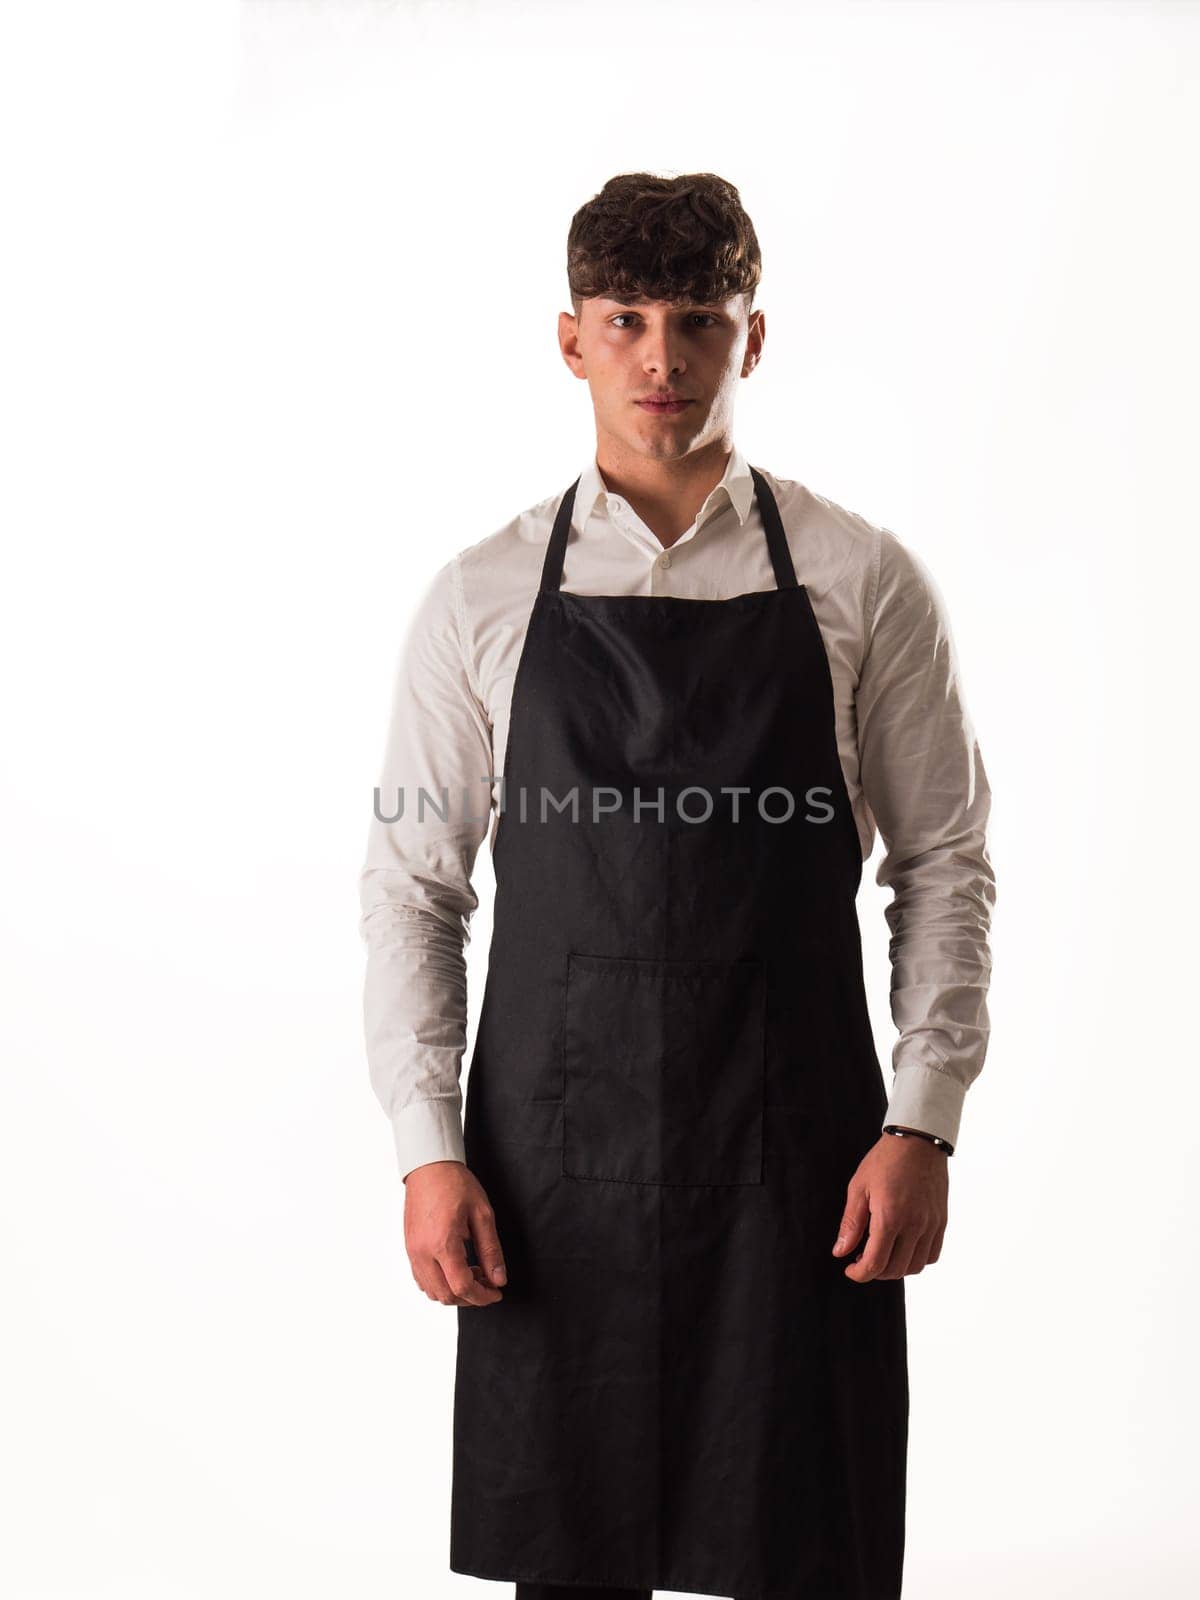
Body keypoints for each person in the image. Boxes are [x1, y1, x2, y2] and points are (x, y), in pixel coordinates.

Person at [358, 171, 996, 1600]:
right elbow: (414, 881)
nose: (663, 358)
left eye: (697, 321)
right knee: (571, 1566)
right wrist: (425, 1141)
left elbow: (945, 859)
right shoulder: (481, 594)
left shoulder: (860, 578)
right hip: (551, 1171)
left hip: (801, 1163)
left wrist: (925, 1120)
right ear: (571, 339)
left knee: (803, 1556)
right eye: (627, 320)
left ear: (749, 339)